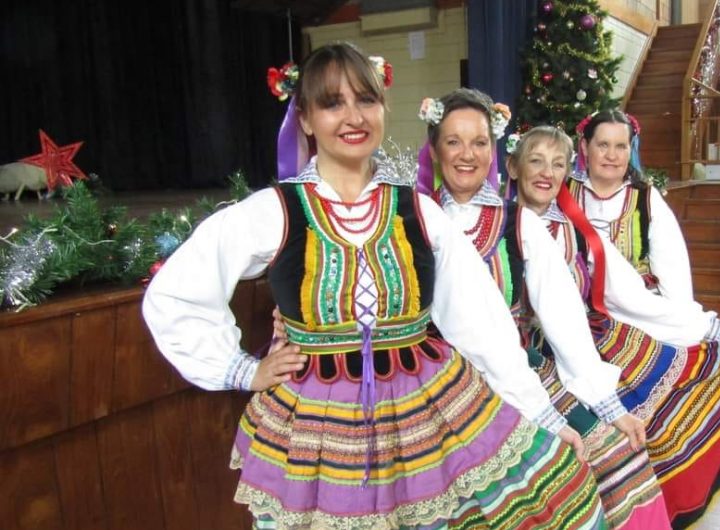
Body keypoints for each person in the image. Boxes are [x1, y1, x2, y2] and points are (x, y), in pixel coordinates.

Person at [141, 43, 607, 529]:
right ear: (304, 118)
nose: (353, 116)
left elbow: (483, 326)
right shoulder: (272, 211)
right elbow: (175, 295)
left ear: (383, 107)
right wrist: (240, 370)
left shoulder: (418, 211)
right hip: (318, 430)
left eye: (366, 99)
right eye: (332, 103)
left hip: (423, 411)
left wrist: (542, 415)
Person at [417, 88, 670, 530]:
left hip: (519, 371)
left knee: (606, 458)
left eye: (478, 142)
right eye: (453, 141)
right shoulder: (411, 219)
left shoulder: (520, 223)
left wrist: (608, 407)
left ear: (494, 152)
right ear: (434, 147)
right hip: (436, 381)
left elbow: (563, 319)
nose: (466, 154)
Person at [509, 126, 720, 529]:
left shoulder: (577, 228)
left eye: (557, 164)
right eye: (536, 161)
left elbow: (627, 292)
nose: (547, 173)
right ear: (513, 167)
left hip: (591, 339)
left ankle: (661, 508)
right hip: (533, 356)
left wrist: (709, 327)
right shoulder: (496, 228)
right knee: (598, 450)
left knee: (664, 418)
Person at [567, 110, 693, 302]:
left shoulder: (647, 199)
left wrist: (680, 322)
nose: (611, 155)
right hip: (574, 309)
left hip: (635, 311)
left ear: (630, 149)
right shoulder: (563, 194)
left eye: (620, 147)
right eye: (603, 145)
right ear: (585, 147)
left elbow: (673, 272)